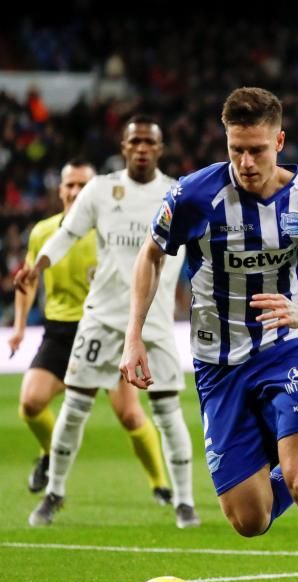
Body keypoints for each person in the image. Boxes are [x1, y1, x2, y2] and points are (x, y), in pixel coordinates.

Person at [119, 87, 298, 582]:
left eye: (257, 149)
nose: (246, 162)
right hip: (218, 366)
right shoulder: (194, 196)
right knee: (249, 520)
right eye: (236, 150)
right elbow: (152, 254)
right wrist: (133, 336)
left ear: (279, 141)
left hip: (285, 354)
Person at [14, 118, 200, 530]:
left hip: (154, 323)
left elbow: (198, 247)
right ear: (124, 145)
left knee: (167, 411)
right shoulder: (101, 189)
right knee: (75, 405)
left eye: (148, 142)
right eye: (134, 141)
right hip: (101, 317)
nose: (141, 148)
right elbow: (66, 233)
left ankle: (185, 502)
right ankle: (54, 493)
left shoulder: (176, 193)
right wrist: (37, 266)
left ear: (160, 147)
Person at [9, 160, 173, 502]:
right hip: (60, 332)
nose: (74, 191)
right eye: (69, 185)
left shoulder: (110, 231)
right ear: (60, 190)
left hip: (106, 329)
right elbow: (28, 279)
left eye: (82, 185)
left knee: (129, 415)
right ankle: (50, 454)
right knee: (30, 403)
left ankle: (160, 485)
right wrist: (20, 327)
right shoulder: (43, 233)